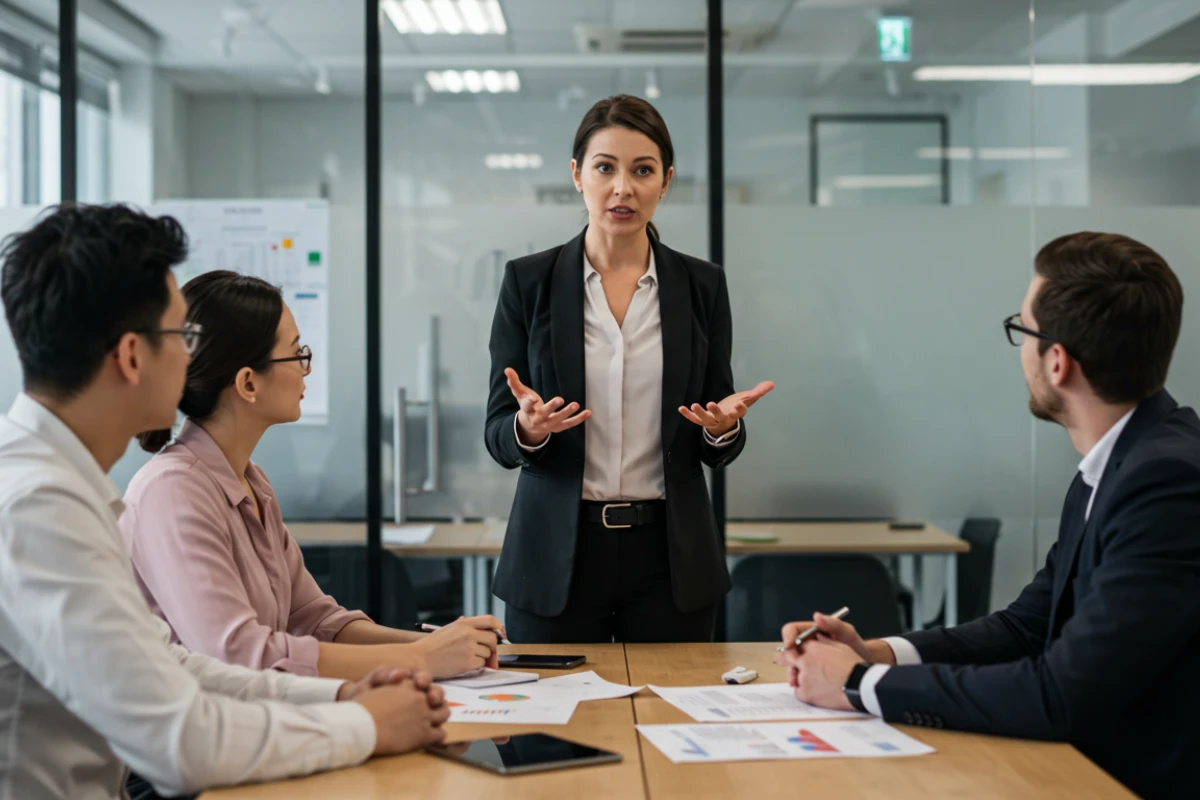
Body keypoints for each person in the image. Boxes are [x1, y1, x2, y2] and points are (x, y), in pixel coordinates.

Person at [0, 204, 449, 800]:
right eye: (182, 336)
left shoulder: (64, 485)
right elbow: (180, 741)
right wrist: (366, 723)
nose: (193, 357)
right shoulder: (39, 506)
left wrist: (343, 695)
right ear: (132, 356)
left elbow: (173, 670)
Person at [779, 232, 1200, 798]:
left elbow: (1062, 695)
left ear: (1057, 362)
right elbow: (1027, 627)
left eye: (1021, 330)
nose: (1018, 348)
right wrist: (876, 654)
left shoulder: (1166, 481)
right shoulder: (1119, 462)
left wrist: (859, 685)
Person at [485, 94, 774, 644]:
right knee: (551, 729)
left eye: (642, 170)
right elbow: (497, 433)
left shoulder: (701, 286)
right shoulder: (529, 282)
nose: (623, 188)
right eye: (605, 168)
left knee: (669, 725)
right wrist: (528, 429)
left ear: (665, 181)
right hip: (556, 557)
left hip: (671, 559)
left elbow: (716, 428)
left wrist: (723, 428)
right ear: (577, 175)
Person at [122, 270, 505, 682]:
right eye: (295, 354)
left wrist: (436, 644)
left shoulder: (251, 481)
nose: (306, 369)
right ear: (248, 383)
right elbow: (236, 654)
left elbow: (314, 619)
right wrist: (423, 660)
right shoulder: (173, 490)